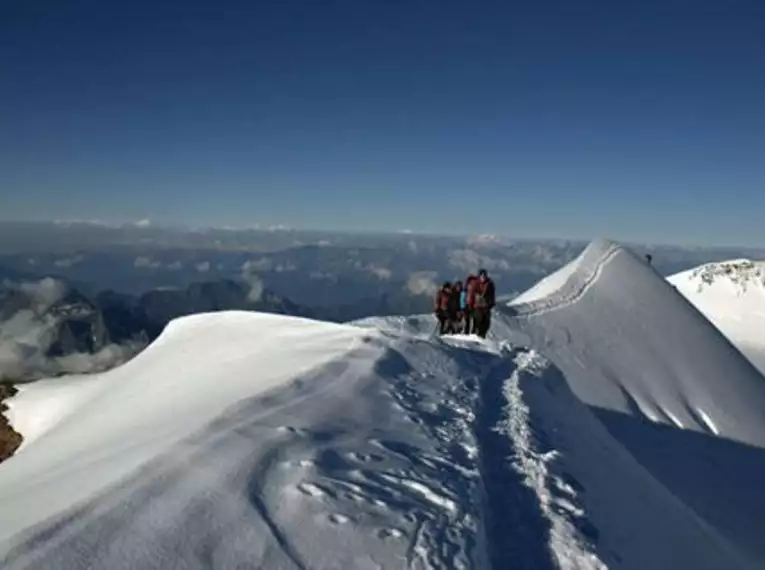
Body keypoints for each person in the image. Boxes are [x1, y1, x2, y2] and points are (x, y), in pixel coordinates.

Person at [472, 269, 496, 338]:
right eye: (482, 276)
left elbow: (492, 294)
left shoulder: (490, 284)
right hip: (478, 306)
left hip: (487, 306)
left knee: (487, 323)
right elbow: (472, 294)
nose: (483, 277)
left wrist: (492, 303)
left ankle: (482, 335)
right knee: (479, 321)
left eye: (484, 275)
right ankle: (477, 335)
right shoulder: (476, 283)